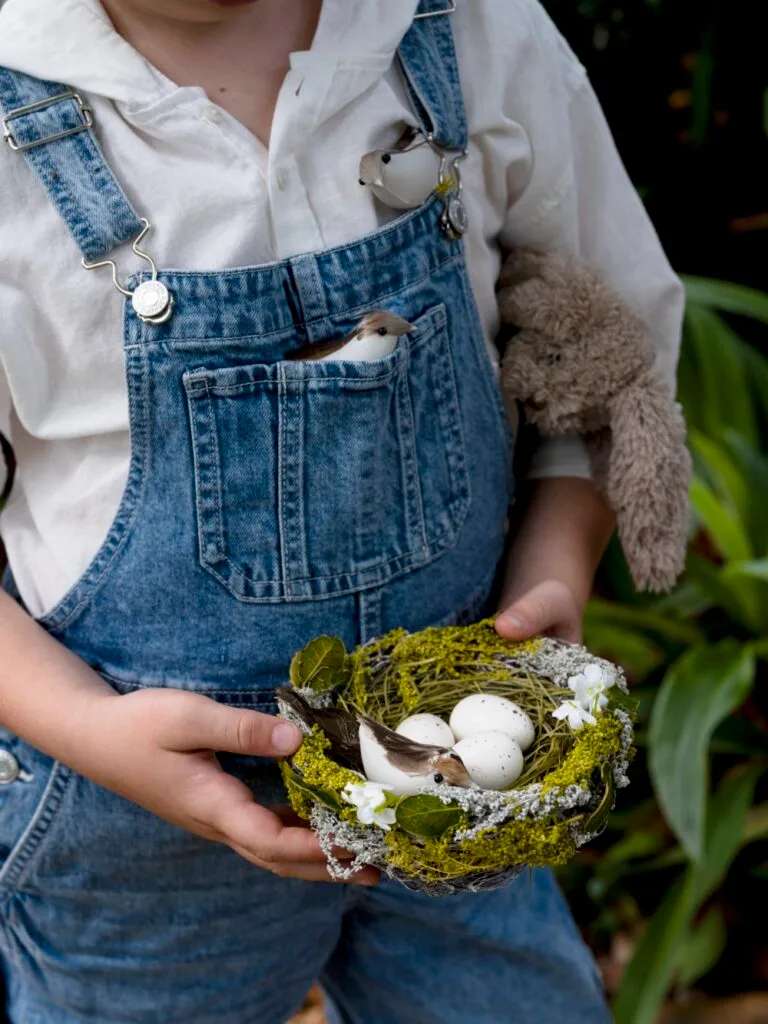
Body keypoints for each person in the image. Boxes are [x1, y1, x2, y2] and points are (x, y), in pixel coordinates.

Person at [0, 0, 683, 1020]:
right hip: (142, 836)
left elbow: (598, 349)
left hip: (462, 778)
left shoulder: (468, 36)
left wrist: (554, 563)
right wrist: (94, 732)